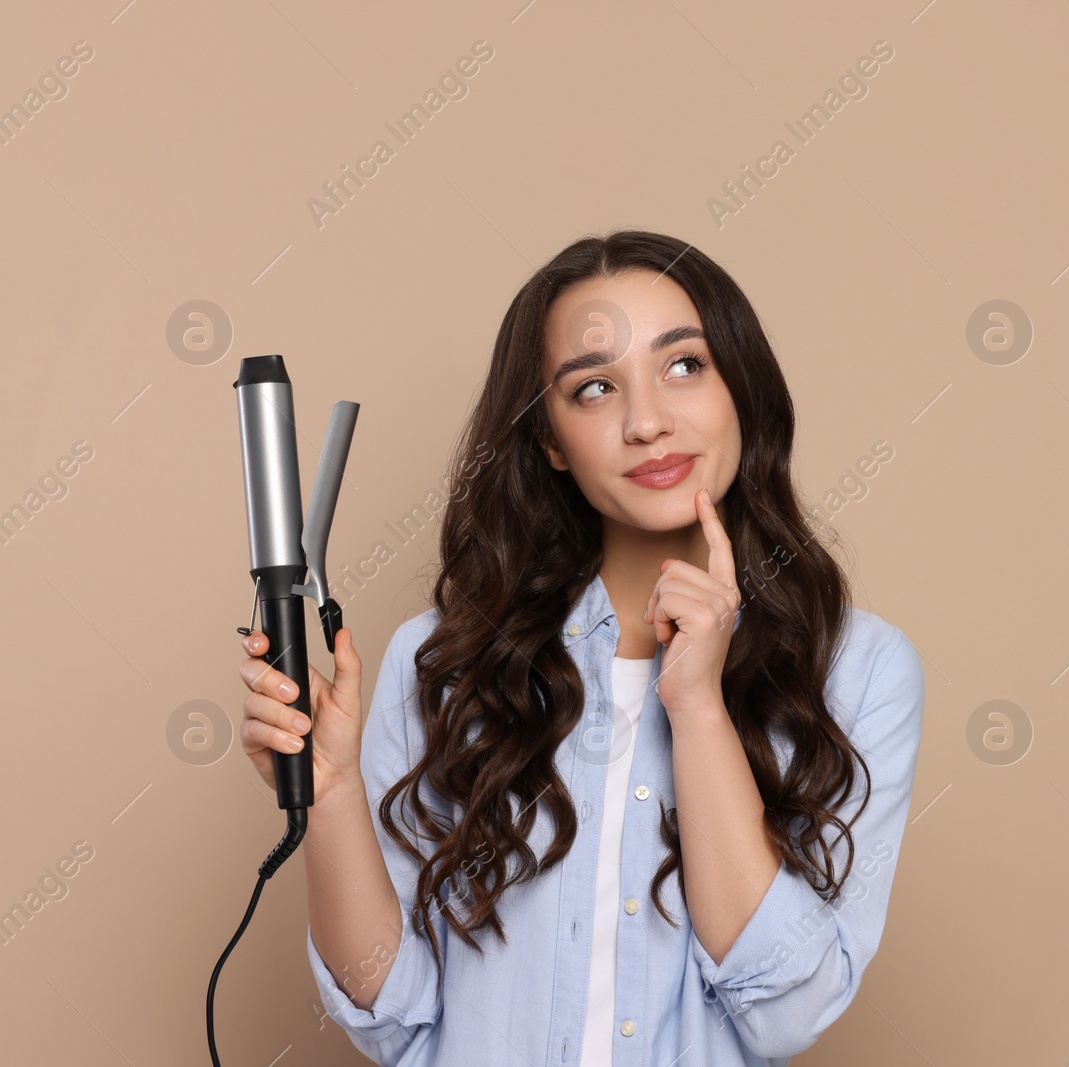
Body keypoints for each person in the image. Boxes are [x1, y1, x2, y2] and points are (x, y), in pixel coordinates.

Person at [237, 230, 925, 1066]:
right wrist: (335, 790)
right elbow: (394, 1018)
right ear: (551, 442)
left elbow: (786, 1014)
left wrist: (698, 706)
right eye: (595, 388)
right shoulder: (446, 662)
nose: (647, 423)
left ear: (742, 385)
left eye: (684, 365)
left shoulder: (860, 670)